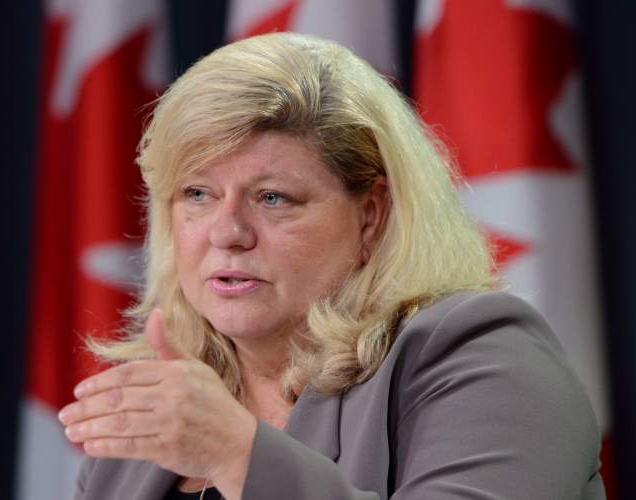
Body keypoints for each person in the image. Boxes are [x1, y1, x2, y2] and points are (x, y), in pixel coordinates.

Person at [57, 33, 605, 500]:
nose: (227, 233)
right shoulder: (146, 430)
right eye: (198, 194)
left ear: (371, 215)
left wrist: (238, 454)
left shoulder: (481, 357)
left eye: (272, 198)